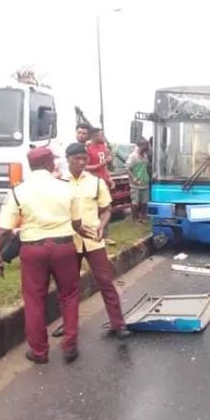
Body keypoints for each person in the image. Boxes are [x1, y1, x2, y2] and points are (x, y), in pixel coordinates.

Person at [0, 147, 93, 364]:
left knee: (35, 300)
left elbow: (4, 231)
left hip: (32, 249)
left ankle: (39, 352)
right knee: (69, 296)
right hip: (64, 247)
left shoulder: (19, 191)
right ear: (48, 164)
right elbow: (76, 223)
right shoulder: (66, 188)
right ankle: (69, 347)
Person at [52, 143, 131, 339]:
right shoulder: (59, 182)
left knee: (105, 282)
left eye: (84, 159)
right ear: (67, 159)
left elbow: (106, 209)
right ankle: (68, 324)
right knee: (68, 286)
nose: (81, 162)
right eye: (76, 159)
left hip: (94, 241)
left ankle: (118, 324)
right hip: (68, 241)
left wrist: (103, 225)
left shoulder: (96, 182)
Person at [126, 139, 150, 222]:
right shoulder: (133, 156)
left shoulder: (145, 155)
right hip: (136, 183)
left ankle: (143, 216)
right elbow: (128, 168)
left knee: (144, 201)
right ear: (140, 146)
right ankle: (134, 218)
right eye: (146, 146)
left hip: (144, 182)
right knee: (135, 202)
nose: (147, 148)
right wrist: (133, 178)